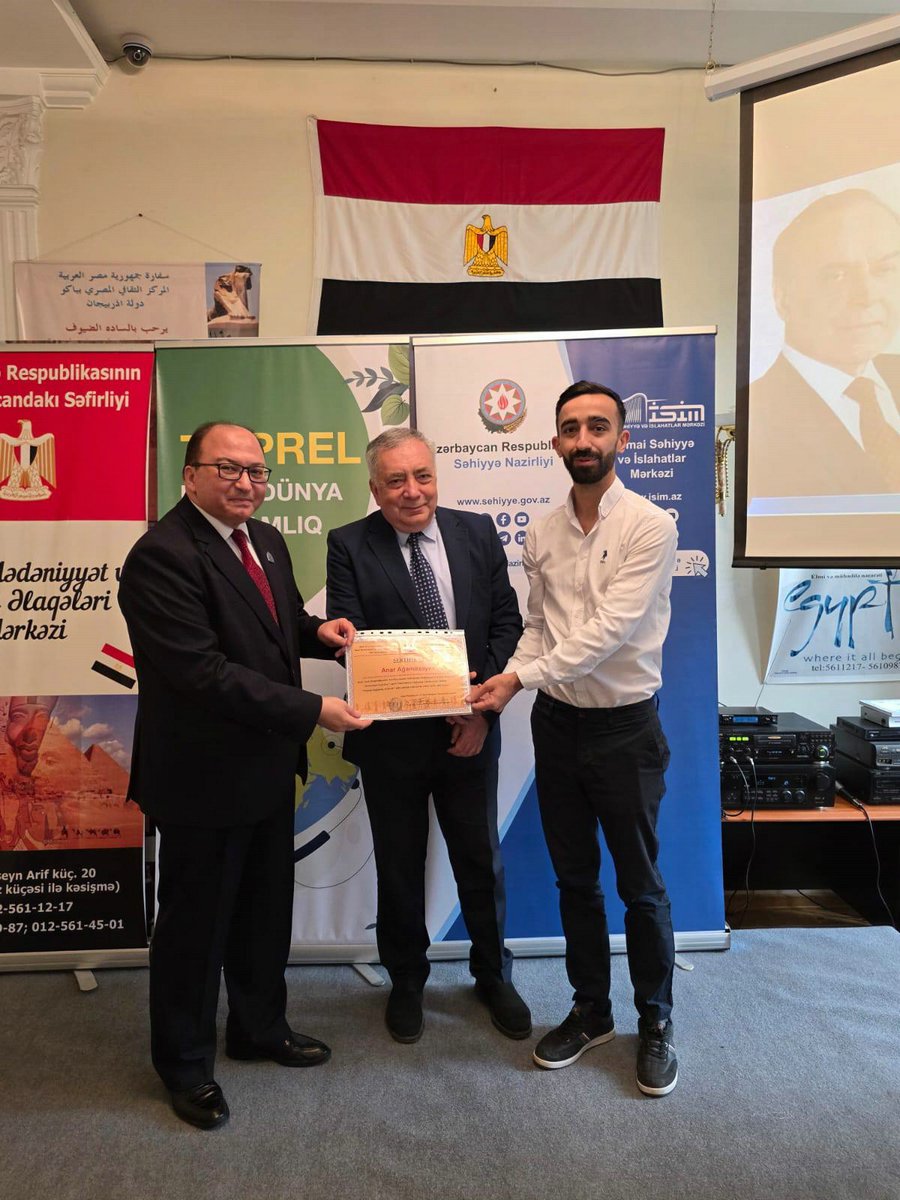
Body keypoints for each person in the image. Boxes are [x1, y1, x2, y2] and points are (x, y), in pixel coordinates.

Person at [118, 421, 371, 1131]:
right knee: (196, 929)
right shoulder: (161, 555)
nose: (246, 483)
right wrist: (314, 709)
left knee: (263, 912)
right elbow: (203, 672)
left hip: (267, 766)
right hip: (201, 777)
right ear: (190, 474)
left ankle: (258, 1028)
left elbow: (274, 623)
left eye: (257, 472)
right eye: (227, 468)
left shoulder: (264, 539)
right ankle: (185, 1064)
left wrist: (317, 632)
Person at [471, 381, 679, 1097]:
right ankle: (593, 1011)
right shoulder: (542, 532)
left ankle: (656, 1020)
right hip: (557, 726)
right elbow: (539, 626)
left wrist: (516, 679)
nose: (583, 440)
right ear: (555, 441)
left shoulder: (650, 525)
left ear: (622, 438)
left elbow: (607, 633)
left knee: (641, 887)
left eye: (597, 426)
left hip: (625, 729)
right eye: (570, 428)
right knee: (575, 881)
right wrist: (512, 677)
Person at [326, 428, 529, 1045]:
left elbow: (506, 622)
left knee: (480, 861)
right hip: (392, 742)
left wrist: (479, 710)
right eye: (396, 481)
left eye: (422, 476)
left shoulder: (477, 532)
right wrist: (433, 691)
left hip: (472, 731)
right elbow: (355, 643)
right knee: (399, 865)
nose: (412, 491)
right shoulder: (349, 544)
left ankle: (493, 975)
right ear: (375, 488)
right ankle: (407, 981)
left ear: (436, 477)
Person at [749, 188, 900, 499]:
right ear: (783, 298)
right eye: (837, 276)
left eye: (884, 269)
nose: (867, 296)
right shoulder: (760, 414)